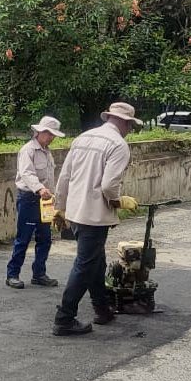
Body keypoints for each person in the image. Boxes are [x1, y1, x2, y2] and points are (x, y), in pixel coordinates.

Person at [52, 102, 141, 336]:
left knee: (96, 262)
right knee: (84, 265)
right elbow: (110, 185)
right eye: (130, 125)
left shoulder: (83, 138)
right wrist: (118, 201)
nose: (129, 129)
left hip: (76, 212)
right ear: (123, 122)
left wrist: (59, 207)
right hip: (94, 215)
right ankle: (64, 318)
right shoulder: (119, 145)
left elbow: (65, 176)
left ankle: (102, 309)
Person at [5, 116, 65, 289]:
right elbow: (27, 173)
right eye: (49, 133)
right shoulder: (28, 150)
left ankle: (39, 274)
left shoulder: (47, 152)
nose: (51, 137)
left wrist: (54, 197)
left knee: (45, 238)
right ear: (39, 132)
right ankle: (12, 274)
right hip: (29, 199)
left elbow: (50, 178)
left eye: (53, 134)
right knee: (23, 238)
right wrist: (39, 189)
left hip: (45, 201)